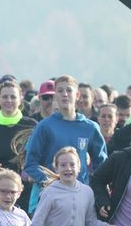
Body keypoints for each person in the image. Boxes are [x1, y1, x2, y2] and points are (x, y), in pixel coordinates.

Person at [23, 75, 107, 213]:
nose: (65, 94)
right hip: (51, 201)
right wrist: (54, 181)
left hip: (81, 200)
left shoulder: (90, 127)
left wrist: (92, 188)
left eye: (69, 90)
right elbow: (30, 165)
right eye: (60, 90)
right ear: (55, 95)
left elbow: (102, 165)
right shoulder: (44, 126)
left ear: (77, 95)